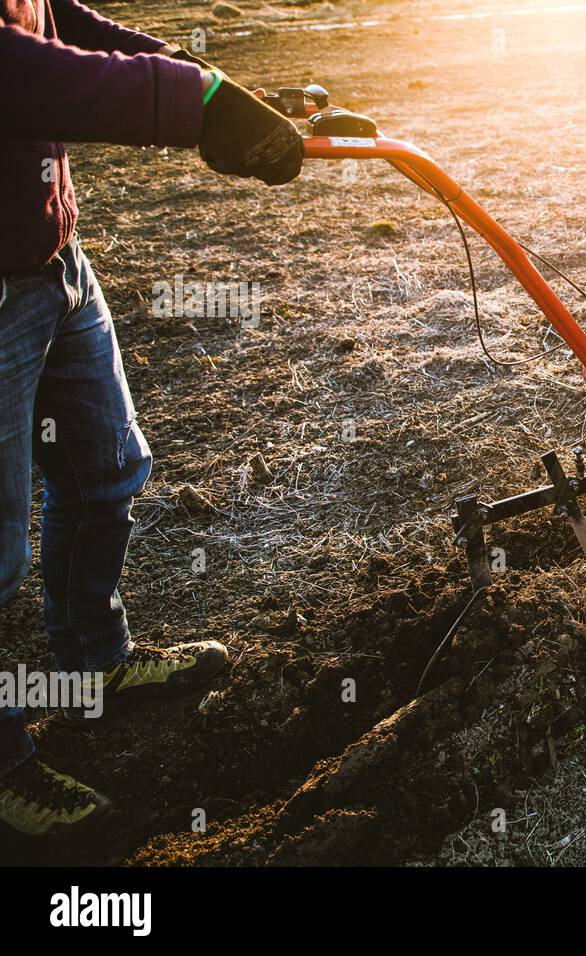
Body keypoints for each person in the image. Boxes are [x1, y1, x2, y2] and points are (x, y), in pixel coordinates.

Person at [0, 0, 303, 846]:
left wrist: (222, 89)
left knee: (105, 469)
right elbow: (20, 71)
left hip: (53, 260)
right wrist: (194, 97)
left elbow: (54, 22)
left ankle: (95, 666)